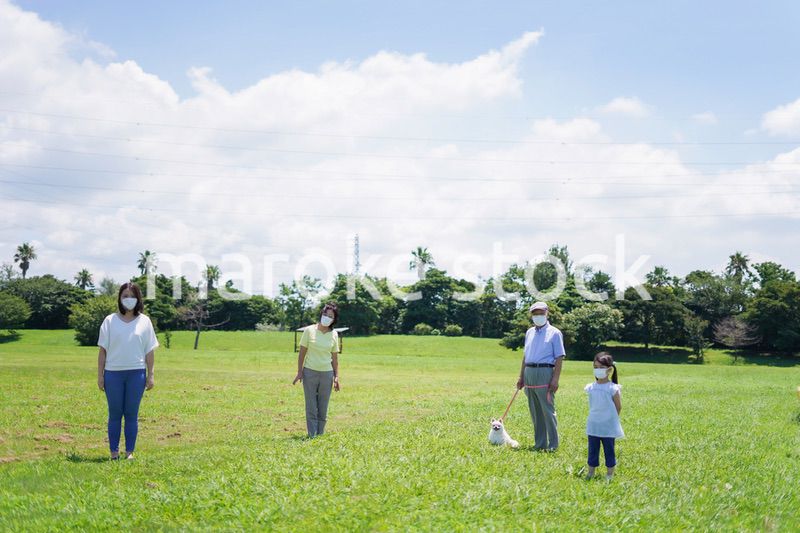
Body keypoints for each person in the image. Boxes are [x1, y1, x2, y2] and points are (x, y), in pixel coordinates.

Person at [97, 282, 158, 460]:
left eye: (132, 296)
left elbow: (149, 351)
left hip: (136, 374)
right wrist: (100, 375)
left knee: (131, 414)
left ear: (138, 299)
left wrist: (151, 374)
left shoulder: (145, 321)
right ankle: (114, 452)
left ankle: (129, 452)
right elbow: (102, 351)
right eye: (125, 296)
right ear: (120, 298)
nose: (128, 300)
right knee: (115, 413)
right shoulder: (109, 321)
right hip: (113, 373)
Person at [516, 301, 565, 451]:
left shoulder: (555, 333)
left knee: (547, 410)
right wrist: (521, 376)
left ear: (547, 313)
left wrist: (555, 379)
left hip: (545, 372)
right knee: (535, 411)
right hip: (529, 372)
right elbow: (525, 356)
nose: (538, 316)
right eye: (535, 314)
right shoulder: (529, 332)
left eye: (541, 313)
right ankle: (540, 444)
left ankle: (553, 445)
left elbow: (559, 357)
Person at [292, 302, 340, 438]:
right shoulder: (309, 330)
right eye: (325, 314)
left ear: (334, 319)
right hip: (310, 372)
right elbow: (302, 353)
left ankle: (320, 434)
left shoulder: (334, 334)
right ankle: (312, 434)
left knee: (323, 406)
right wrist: (299, 372)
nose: (326, 317)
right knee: (311, 405)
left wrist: (336, 377)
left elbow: (335, 359)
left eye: (330, 316)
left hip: (327, 374)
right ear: (321, 314)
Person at [584, 351, 623, 480]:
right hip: (594, 424)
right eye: (595, 367)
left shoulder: (613, 388)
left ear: (609, 369)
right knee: (592, 450)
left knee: (609, 450)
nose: (598, 370)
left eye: (601, 368)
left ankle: (609, 473)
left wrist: (611, 419)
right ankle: (591, 472)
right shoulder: (590, 387)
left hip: (608, 426)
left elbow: (618, 406)